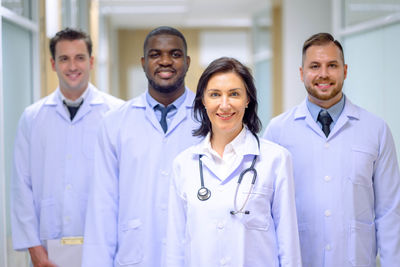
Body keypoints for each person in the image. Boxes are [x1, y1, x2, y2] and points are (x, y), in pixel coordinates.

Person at [264, 32, 400, 266]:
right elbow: (265, 209)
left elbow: (389, 212)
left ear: (345, 71)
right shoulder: (278, 131)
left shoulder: (376, 129)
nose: (323, 74)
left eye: (332, 65)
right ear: (301, 73)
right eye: (314, 66)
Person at [165, 57, 301, 266]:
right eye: (215, 95)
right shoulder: (184, 164)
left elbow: (288, 246)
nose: (225, 104)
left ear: (248, 100)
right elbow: (175, 248)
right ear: (203, 100)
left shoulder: (276, 160)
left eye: (234, 94)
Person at [82, 26, 200, 267]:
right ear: (144, 62)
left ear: (187, 62)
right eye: (156, 54)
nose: (165, 61)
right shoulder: (115, 123)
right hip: (135, 255)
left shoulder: (209, 119)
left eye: (175, 54)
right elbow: (102, 206)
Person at [11, 28, 124, 267]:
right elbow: (22, 188)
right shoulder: (32, 118)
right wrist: (36, 253)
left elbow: (128, 187)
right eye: (64, 59)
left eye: (79, 57)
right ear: (53, 64)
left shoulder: (117, 114)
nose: (73, 66)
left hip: (105, 250)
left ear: (91, 61)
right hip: (48, 252)